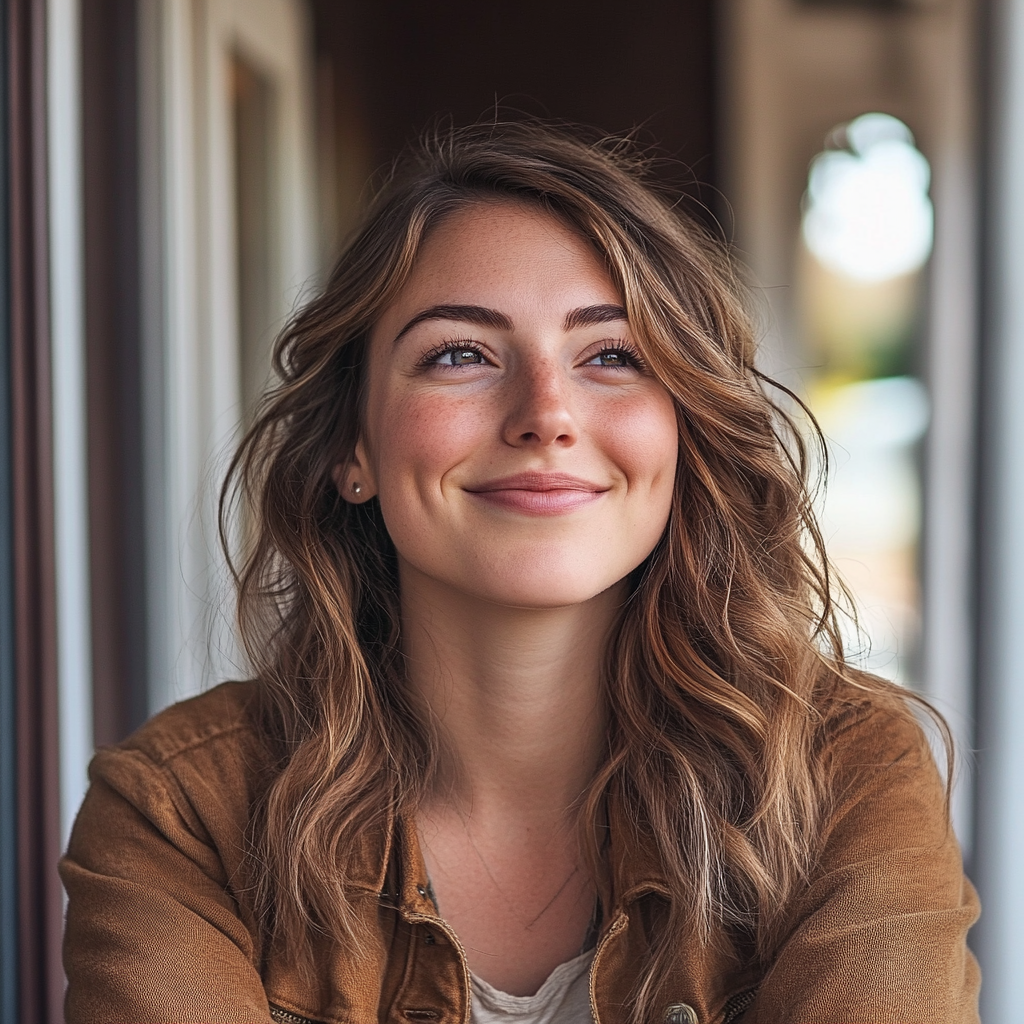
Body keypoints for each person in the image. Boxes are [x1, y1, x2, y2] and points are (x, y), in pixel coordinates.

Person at [61, 122, 979, 1024]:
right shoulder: (182, 814)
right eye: (460, 354)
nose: (547, 414)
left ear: (684, 431)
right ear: (354, 444)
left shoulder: (843, 779)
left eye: (612, 355)